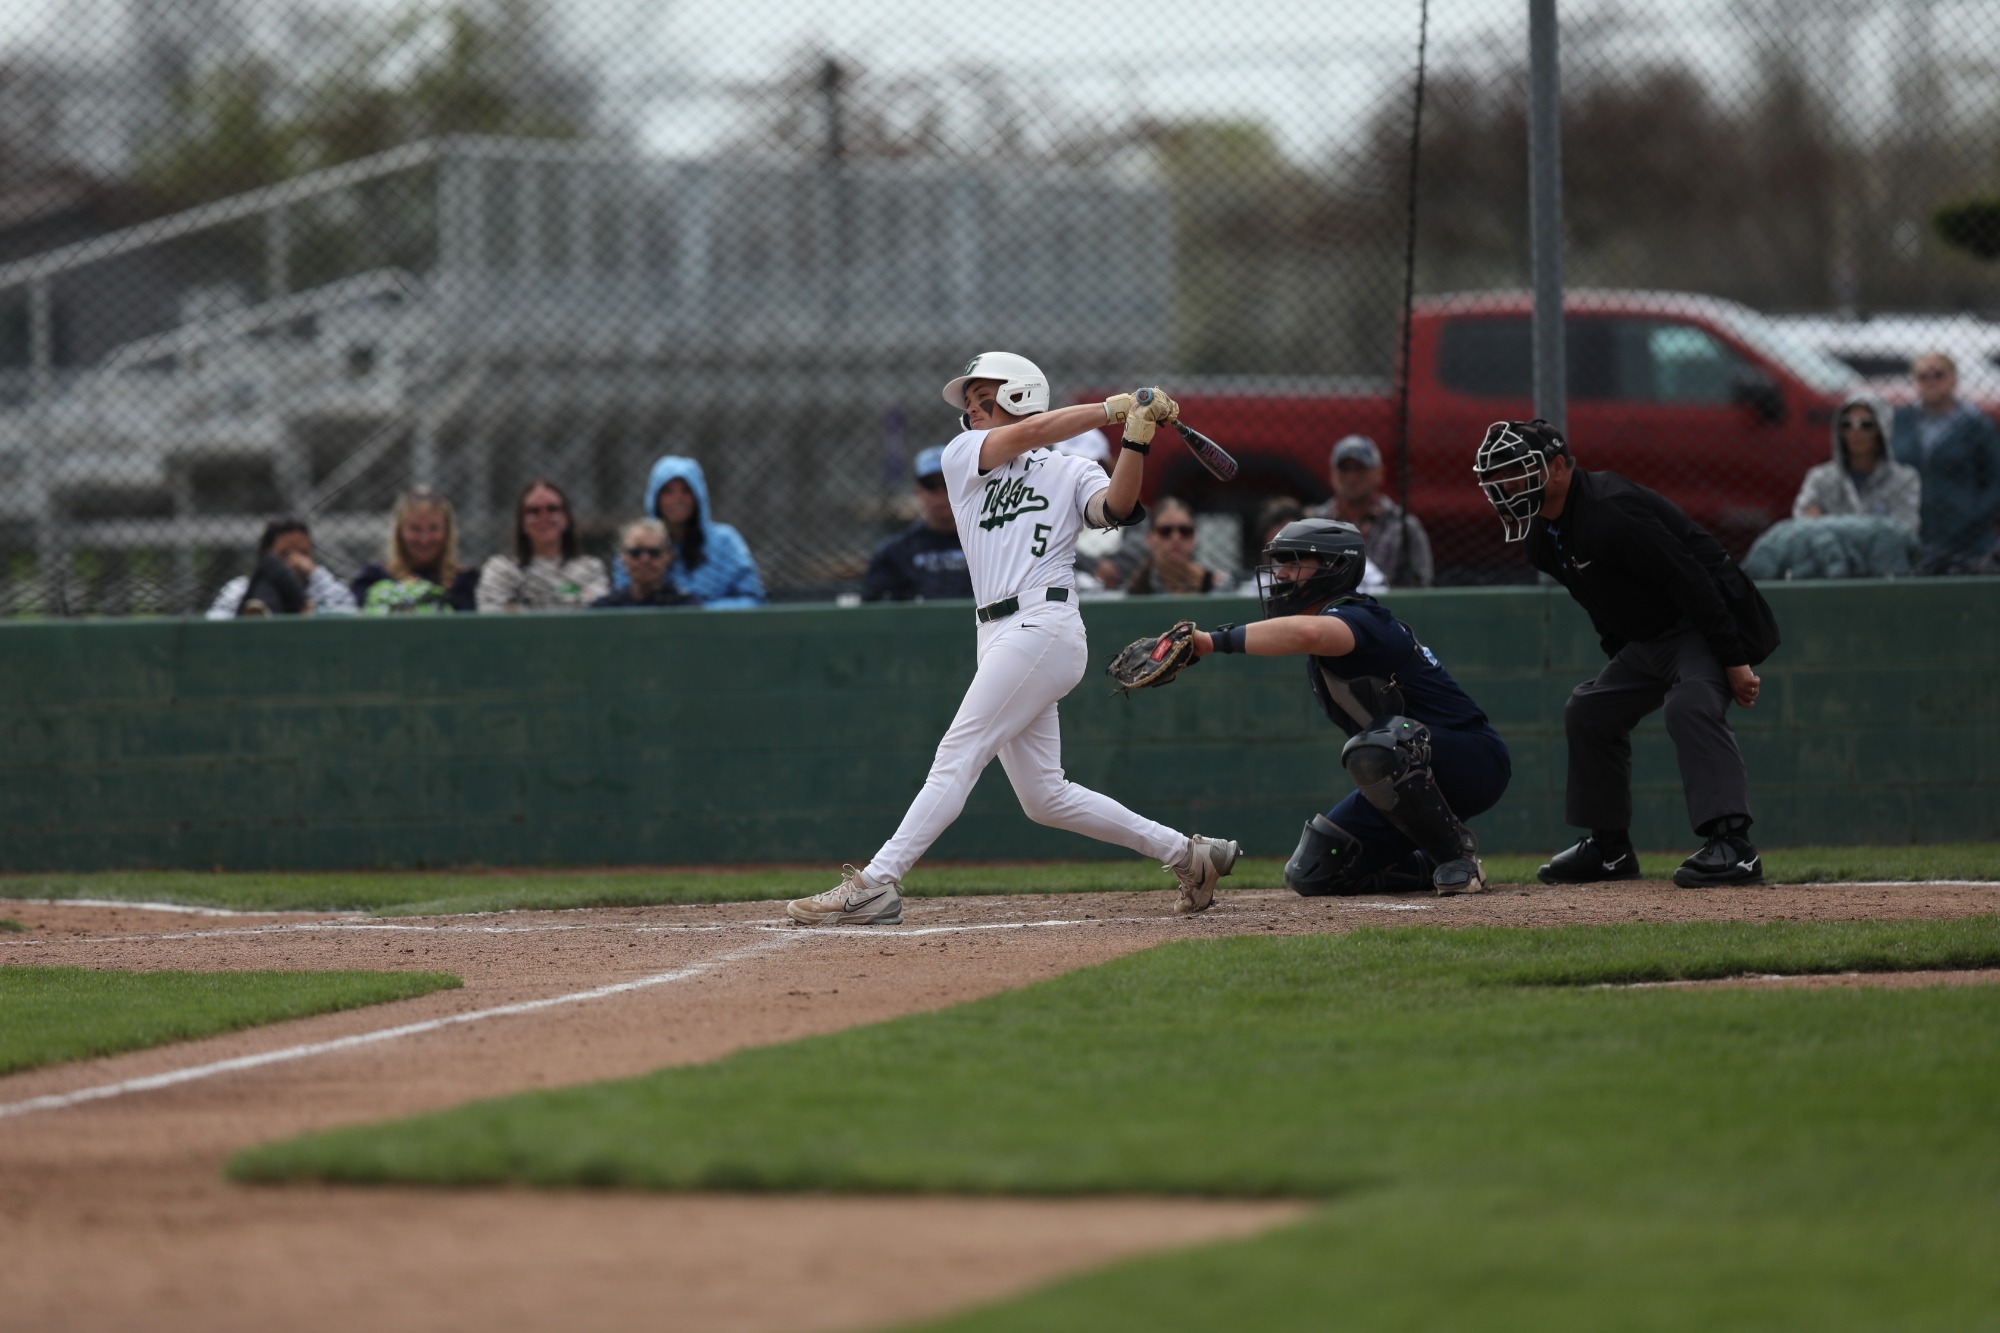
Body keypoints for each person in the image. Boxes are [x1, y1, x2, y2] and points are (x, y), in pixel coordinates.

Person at [786, 351, 1239, 926]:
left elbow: (1117, 507)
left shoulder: (1072, 469)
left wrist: (1136, 437)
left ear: (1020, 395)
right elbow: (1029, 434)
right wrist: (1113, 408)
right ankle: (1190, 856)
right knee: (1045, 797)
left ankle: (876, 884)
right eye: (969, 404)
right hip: (997, 632)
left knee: (958, 753)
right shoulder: (963, 456)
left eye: (984, 400)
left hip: (1044, 625)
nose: (971, 412)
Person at [1474, 419, 1774, 888]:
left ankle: (1735, 847)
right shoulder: (1542, 538)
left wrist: (1735, 663)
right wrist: (1621, 658)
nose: (1505, 485)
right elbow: (1599, 602)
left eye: (1517, 471)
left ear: (1558, 467)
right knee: (1589, 710)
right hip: (1650, 639)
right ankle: (1610, 850)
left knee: (1689, 704)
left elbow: (1692, 580)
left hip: (1700, 623)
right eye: (1498, 477)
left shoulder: (1610, 511)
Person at [1183, 519, 1507, 896]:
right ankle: (1429, 863)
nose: (1281, 573)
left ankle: (1457, 859)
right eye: (1280, 562)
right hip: (1410, 771)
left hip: (1470, 760)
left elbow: (1307, 632)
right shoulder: (1325, 646)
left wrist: (1209, 642)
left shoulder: (1360, 617)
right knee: (1313, 872)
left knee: (1377, 746)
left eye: (1295, 562)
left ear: (1336, 567)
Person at [1890, 352, 2000, 573]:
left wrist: (1973, 515)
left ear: (1953, 379)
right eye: (1923, 376)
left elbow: (1995, 480)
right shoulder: (1901, 422)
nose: (1931, 382)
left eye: (1938, 375)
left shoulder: (1976, 426)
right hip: (1914, 533)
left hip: (1968, 540)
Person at [635, 456, 766, 607]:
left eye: (686, 491)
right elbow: (626, 603)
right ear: (655, 498)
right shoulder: (637, 545)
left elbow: (752, 600)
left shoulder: (725, 541)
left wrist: (699, 611)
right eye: (668, 491)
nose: (678, 499)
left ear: (698, 496)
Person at [1309, 434, 1434, 587]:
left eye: (1360, 468)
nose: (1352, 477)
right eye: (1344, 468)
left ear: (1379, 473)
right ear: (1332, 474)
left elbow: (1421, 586)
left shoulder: (1403, 528)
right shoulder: (1313, 525)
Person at [1791, 392, 1921, 533]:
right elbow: (1807, 528)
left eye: (1866, 424)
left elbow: (1903, 530)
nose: (1855, 431)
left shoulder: (1904, 480)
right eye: (1846, 424)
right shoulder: (1820, 479)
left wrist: (1830, 525)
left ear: (1882, 430)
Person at [860, 445, 974, 602]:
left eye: (948, 483)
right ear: (919, 491)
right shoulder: (895, 552)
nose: (941, 493)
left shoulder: (986, 542)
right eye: (931, 485)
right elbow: (873, 603)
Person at [477, 479, 610, 613]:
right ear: (522, 523)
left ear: (566, 518)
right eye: (533, 511)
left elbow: (596, 616)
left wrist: (518, 609)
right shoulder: (501, 569)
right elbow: (493, 615)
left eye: (552, 509)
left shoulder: (590, 568)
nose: (544, 517)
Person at [351, 489, 481, 614]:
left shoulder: (466, 584)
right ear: (399, 532)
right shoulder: (372, 580)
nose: (424, 539)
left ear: (447, 532)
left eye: (434, 529)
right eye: (415, 529)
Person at [206, 517, 358, 619]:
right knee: (267, 584)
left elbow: (350, 615)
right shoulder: (240, 588)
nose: (296, 561)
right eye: (285, 554)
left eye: (303, 554)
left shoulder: (322, 587)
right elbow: (215, 622)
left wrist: (315, 573)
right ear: (265, 553)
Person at [1122, 497, 1227, 595]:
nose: (1176, 538)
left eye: (1185, 531)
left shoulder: (1217, 585)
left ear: (1194, 538)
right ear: (1149, 539)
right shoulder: (1134, 592)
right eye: (1165, 531)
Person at [592, 519, 693, 608]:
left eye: (654, 552)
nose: (645, 560)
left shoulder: (686, 607)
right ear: (622, 558)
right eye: (635, 552)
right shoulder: (605, 608)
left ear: (668, 557)